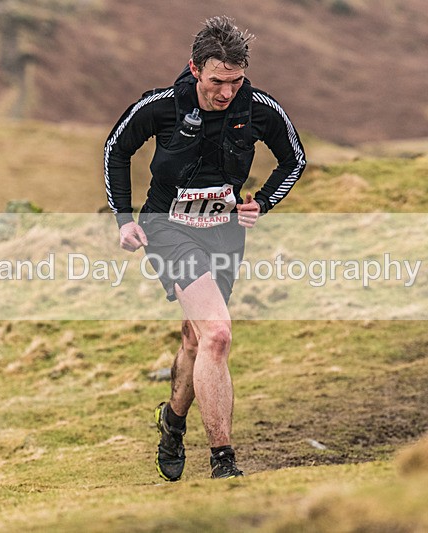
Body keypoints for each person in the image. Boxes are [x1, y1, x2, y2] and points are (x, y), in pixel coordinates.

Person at [104, 16, 306, 480]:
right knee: (218, 333)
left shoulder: (257, 108)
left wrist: (262, 203)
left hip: (224, 232)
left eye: (235, 82)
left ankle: (172, 423)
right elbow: (117, 148)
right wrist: (123, 219)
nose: (226, 92)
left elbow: (294, 159)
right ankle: (224, 463)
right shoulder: (161, 106)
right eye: (217, 81)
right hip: (168, 228)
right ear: (194, 69)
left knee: (197, 341)